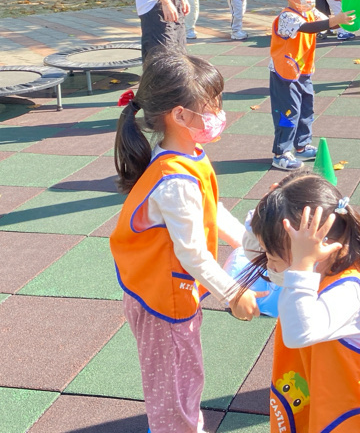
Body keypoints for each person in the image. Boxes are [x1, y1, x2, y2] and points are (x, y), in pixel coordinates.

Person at [109, 51, 263, 433]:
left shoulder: (185, 155)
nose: (219, 113)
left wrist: (249, 244)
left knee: (180, 382)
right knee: (175, 394)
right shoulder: (175, 180)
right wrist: (233, 294)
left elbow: (210, 209)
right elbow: (192, 253)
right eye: (212, 106)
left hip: (162, 292)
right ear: (179, 115)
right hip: (163, 302)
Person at [237, 172, 360, 433]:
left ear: (318, 248)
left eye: (273, 255)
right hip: (333, 404)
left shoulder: (350, 291)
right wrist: (268, 209)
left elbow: (299, 332)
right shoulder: (318, 268)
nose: (268, 263)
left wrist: (301, 264)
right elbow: (254, 248)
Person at [270, 0, 355, 171]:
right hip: (285, 74)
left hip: (303, 71)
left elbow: (326, 24)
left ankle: (301, 145)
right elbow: (308, 28)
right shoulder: (287, 16)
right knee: (289, 112)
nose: (312, 0)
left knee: (306, 109)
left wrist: (345, 19)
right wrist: (334, 21)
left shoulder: (310, 12)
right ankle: (281, 153)